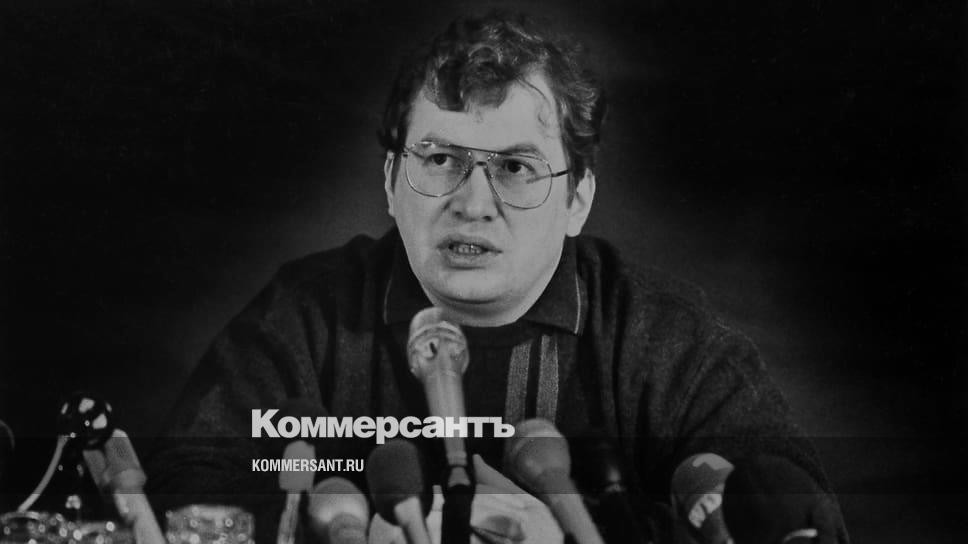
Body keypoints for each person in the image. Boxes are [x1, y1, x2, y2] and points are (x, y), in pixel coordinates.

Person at [147, 11, 848, 544]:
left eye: (514, 167)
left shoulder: (668, 341)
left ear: (577, 200)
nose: (473, 203)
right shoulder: (304, 316)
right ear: (391, 181)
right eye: (440, 160)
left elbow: (802, 519)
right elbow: (189, 497)